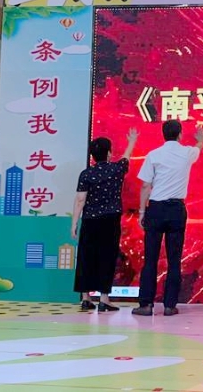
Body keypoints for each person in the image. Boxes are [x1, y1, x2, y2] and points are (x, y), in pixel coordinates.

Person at [132, 119, 203, 317]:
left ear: (163, 134)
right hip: (176, 210)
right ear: (180, 134)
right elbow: (198, 147)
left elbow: (145, 186)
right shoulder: (187, 153)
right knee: (174, 259)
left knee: (150, 259)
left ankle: (146, 305)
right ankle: (169, 306)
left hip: (155, 209)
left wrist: (142, 211)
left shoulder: (154, 155)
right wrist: (200, 140)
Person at [71, 128, 138, 312]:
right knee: (106, 257)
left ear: (92, 155)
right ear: (109, 153)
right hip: (110, 221)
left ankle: (85, 298)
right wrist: (132, 142)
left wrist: (74, 222)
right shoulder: (116, 169)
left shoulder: (86, 174)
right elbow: (126, 157)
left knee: (86, 257)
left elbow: (80, 199)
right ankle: (104, 299)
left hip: (90, 221)